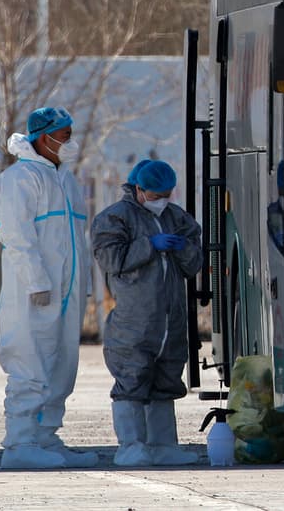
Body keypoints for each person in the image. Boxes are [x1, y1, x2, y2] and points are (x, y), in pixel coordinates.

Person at [0, 106, 97, 469]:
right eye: (64, 134)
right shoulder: (19, 179)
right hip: (32, 291)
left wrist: (84, 285)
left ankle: (46, 438)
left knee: (61, 364)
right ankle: (19, 445)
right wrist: (36, 280)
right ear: (43, 137)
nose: (70, 141)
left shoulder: (64, 179)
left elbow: (76, 240)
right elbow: (17, 236)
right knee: (29, 359)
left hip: (65, 293)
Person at [91, 159, 203, 467]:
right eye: (155, 194)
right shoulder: (114, 219)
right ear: (138, 189)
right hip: (134, 321)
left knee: (166, 379)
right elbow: (112, 259)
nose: (161, 200)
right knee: (132, 379)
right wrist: (148, 245)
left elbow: (195, 264)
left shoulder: (176, 217)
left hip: (171, 319)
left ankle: (164, 445)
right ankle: (131, 446)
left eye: (166, 193)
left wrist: (183, 248)